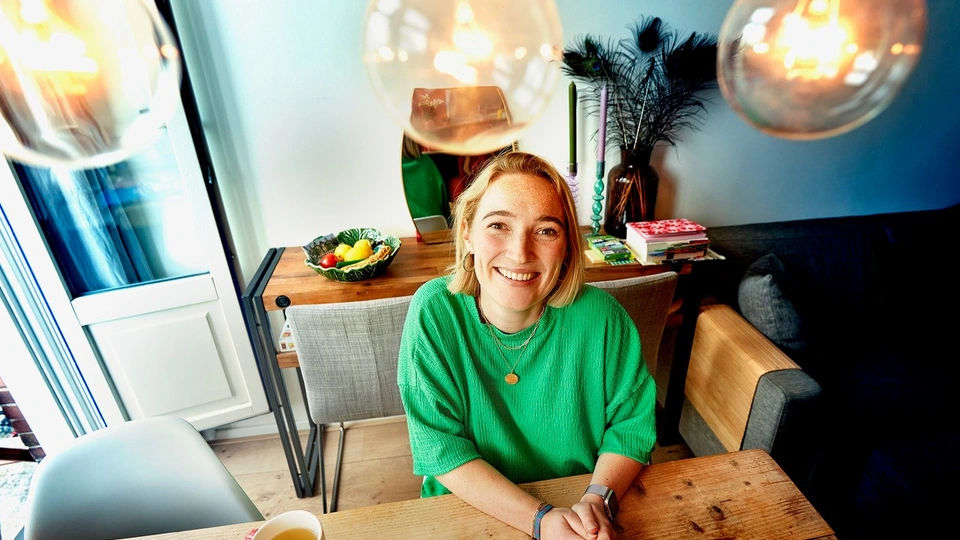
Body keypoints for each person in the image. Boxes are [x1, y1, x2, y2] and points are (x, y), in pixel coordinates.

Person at [397, 151, 657, 539]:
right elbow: (439, 447)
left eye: (546, 231)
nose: (520, 253)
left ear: (567, 246)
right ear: (467, 232)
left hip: (578, 503)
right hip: (466, 509)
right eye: (498, 225)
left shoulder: (603, 317)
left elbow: (632, 428)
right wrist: (540, 520)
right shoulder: (434, 310)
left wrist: (597, 500)